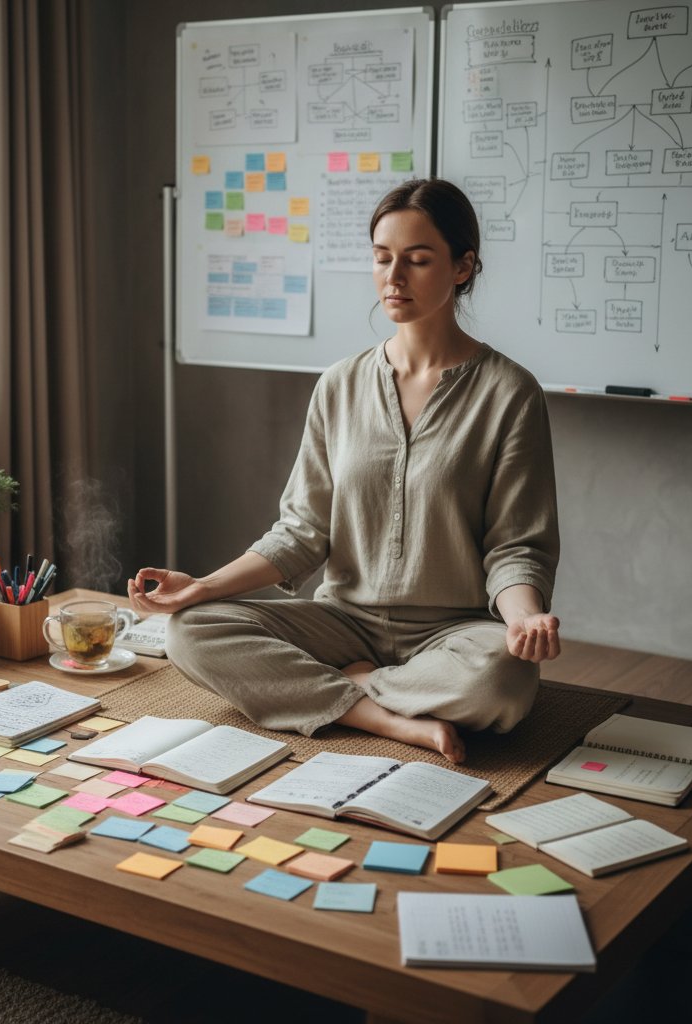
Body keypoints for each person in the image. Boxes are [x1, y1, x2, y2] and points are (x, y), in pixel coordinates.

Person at [128, 178, 560, 764]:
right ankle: (379, 713)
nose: (394, 278)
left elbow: (515, 546)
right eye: (382, 258)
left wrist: (524, 617)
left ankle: (346, 690)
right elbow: (302, 531)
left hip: (453, 632)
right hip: (342, 623)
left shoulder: (511, 393)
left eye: (417, 259)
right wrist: (201, 587)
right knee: (191, 631)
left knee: (501, 680)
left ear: (463, 267)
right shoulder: (339, 384)